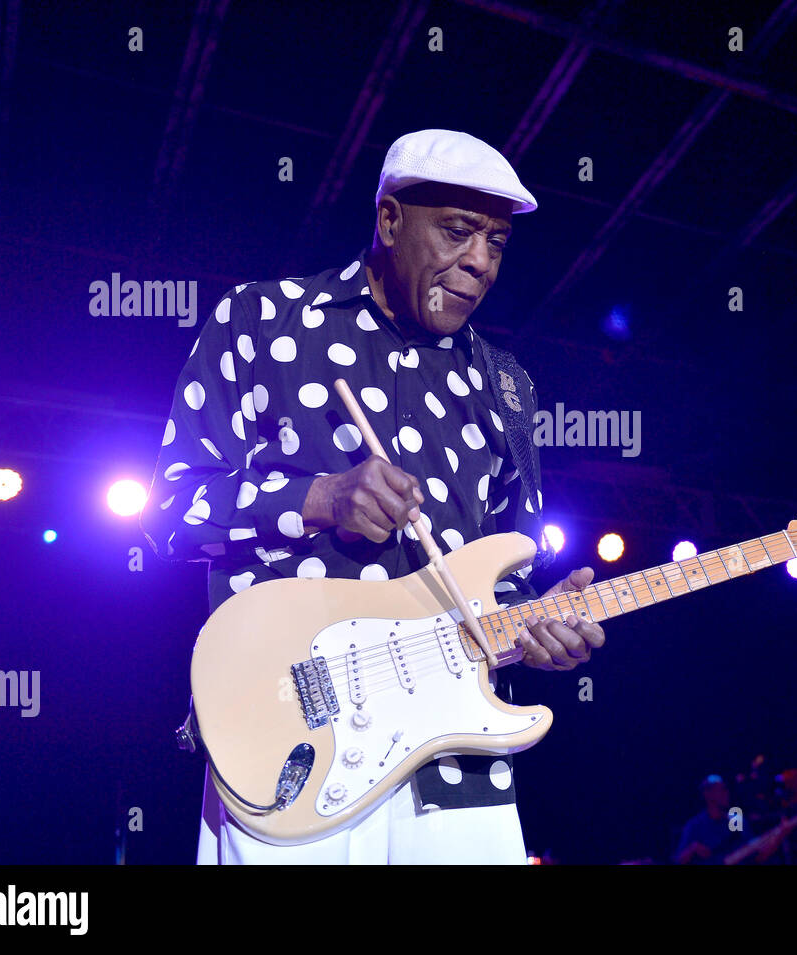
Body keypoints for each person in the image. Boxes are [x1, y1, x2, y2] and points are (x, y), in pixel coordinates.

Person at [142, 128, 606, 864]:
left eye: (497, 241)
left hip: (459, 771)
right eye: (459, 231)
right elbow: (168, 514)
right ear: (390, 219)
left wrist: (538, 631)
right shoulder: (262, 320)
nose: (481, 262)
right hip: (291, 749)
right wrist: (320, 498)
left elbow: (506, 585)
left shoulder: (508, 386)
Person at [673, 775, 749, 865]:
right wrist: (693, 849)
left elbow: (752, 848)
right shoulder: (695, 825)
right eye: (721, 790)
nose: (726, 793)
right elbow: (678, 860)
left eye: (726, 789)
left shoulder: (736, 819)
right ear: (707, 794)